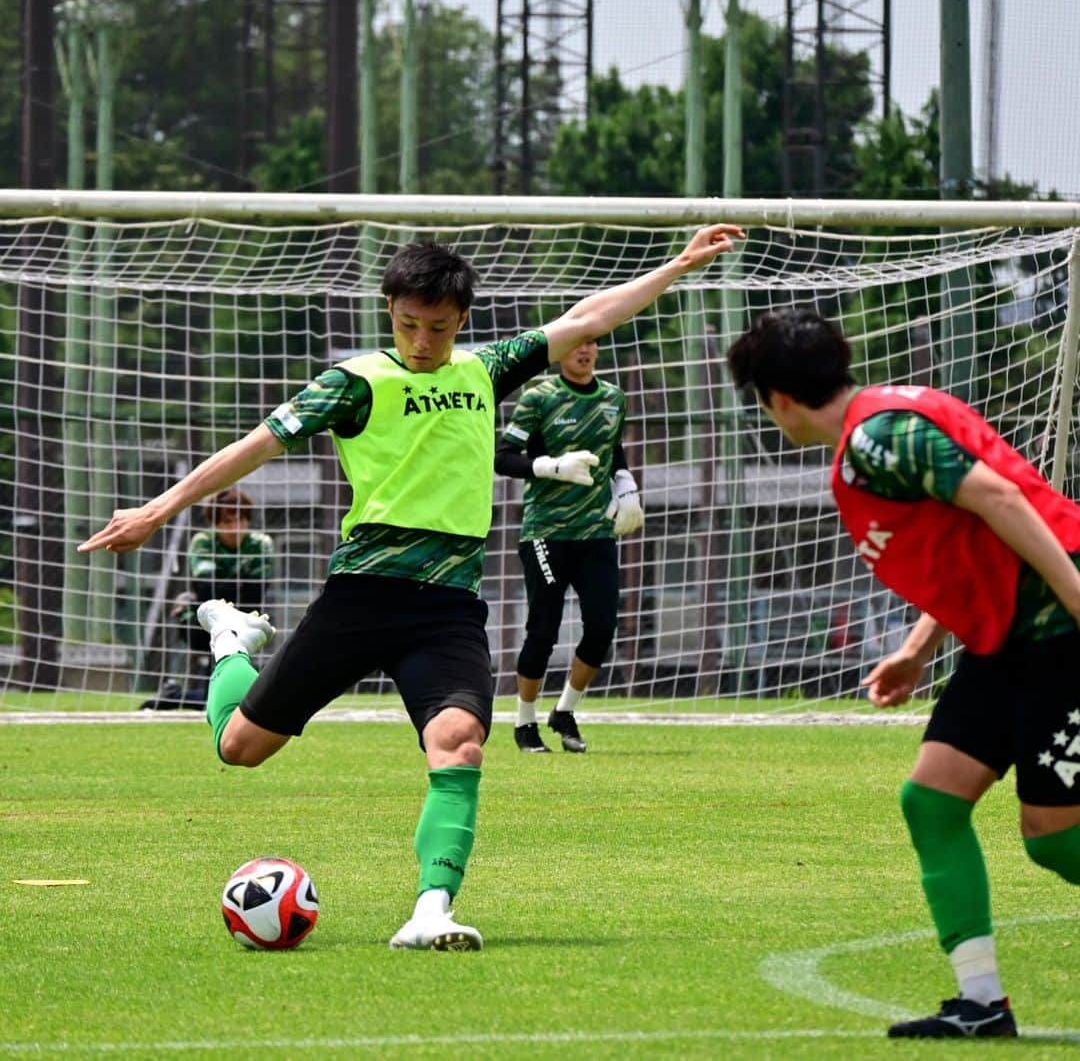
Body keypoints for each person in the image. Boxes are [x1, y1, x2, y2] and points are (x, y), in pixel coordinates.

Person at [80, 224, 744, 951]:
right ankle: (231, 642)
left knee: (459, 743)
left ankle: (431, 909)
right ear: (388, 312)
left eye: (436, 327)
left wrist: (678, 264)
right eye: (406, 324)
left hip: (448, 607)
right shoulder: (354, 382)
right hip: (361, 595)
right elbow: (255, 446)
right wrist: (156, 509)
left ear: (460, 321)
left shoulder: (486, 370)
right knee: (239, 747)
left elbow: (591, 317)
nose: (421, 341)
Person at [728, 307, 1080, 1039]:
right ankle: (982, 1003)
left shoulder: (879, 437)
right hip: (1007, 639)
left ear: (778, 398)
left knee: (1054, 837)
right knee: (933, 799)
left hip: (1057, 630)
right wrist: (920, 646)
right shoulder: (886, 423)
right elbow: (970, 538)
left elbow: (1003, 499)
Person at [495, 339, 643, 754]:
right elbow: (503, 458)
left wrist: (626, 482)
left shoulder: (614, 396)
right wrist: (549, 467)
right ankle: (524, 724)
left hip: (596, 532)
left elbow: (612, 451)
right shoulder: (539, 397)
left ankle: (564, 711)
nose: (584, 350)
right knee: (543, 630)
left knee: (602, 626)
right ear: (561, 350)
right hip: (546, 532)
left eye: (592, 343)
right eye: (576, 343)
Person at [143, 488, 275, 710]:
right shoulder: (203, 542)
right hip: (201, 623)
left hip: (246, 615)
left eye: (240, 520)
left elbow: (256, 590)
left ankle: (176, 695)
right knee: (205, 618)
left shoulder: (260, 543)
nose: (235, 528)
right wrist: (235, 586)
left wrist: (220, 591)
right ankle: (182, 695)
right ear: (215, 522)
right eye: (227, 521)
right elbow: (206, 590)